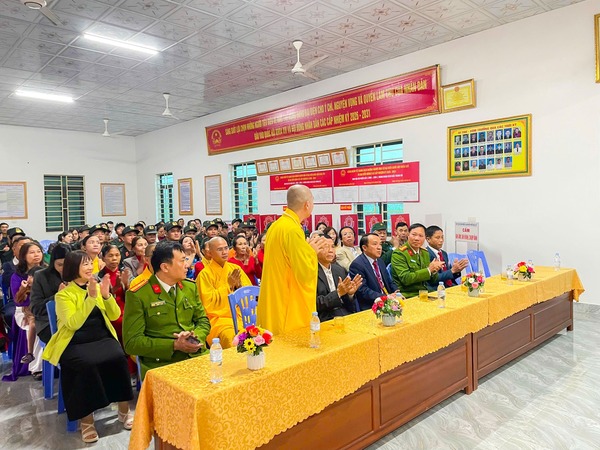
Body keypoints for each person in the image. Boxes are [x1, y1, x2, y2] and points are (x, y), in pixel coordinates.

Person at [42, 251, 134, 443]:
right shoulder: (64, 295)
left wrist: (106, 296)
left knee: (118, 356)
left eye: (90, 263)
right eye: (84, 264)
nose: (89, 267)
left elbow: (114, 315)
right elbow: (72, 324)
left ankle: (124, 411)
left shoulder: (97, 287)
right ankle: (87, 421)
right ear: (72, 268)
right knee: (86, 364)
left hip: (101, 337)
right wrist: (91, 298)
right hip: (74, 342)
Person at [123, 241, 211, 380]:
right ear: (165, 267)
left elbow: (203, 321)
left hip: (195, 355)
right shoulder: (139, 295)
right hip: (161, 363)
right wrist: (174, 345)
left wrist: (194, 338)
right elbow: (132, 343)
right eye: (182, 261)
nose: (187, 265)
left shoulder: (189, 287)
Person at [257, 184, 327, 335]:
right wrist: (312, 252)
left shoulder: (277, 225)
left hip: (273, 295)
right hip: (286, 299)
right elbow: (304, 273)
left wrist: (306, 250)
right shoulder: (293, 230)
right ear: (307, 205)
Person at [197, 237, 252, 348]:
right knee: (231, 338)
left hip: (241, 316)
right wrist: (228, 286)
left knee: (259, 332)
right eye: (219, 249)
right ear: (210, 253)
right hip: (219, 320)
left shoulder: (235, 268)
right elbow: (208, 304)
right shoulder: (204, 275)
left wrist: (238, 287)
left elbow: (249, 294)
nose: (224, 252)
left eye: (226, 248)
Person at [5, 242, 45, 381]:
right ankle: (36, 367)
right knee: (37, 328)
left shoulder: (47, 271)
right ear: (24, 256)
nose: (36, 255)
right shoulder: (17, 276)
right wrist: (23, 289)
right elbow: (18, 301)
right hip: (25, 310)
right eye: (32, 252)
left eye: (38, 251)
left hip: (43, 308)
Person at [30, 243, 71, 345]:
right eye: (60, 265)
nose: (64, 268)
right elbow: (36, 308)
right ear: (53, 263)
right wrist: (57, 296)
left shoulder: (78, 273)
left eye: (68, 265)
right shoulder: (41, 276)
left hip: (73, 319)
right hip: (47, 322)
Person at [391, 223, 444, 298]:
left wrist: (434, 271)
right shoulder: (399, 254)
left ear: (425, 238)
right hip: (408, 294)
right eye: (414, 235)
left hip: (424, 292)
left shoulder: (425, 253)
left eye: (421, 236)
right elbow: (406, 279)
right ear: (408, 235)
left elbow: (432, 281)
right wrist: (429, 270)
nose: (417, 238)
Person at [316, 237, 362, 322]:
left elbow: (349, 305)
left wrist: (350, 294)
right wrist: (338, 293)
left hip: (344, 314)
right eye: (325, 247)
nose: (330, 250)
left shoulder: (339, 270)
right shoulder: (311, 272)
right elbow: (315, 304)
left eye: (332, 247)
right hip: (323, 318)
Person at [349, 233, 398, 311]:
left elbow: (389, 281)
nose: (379, 247)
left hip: (388, 299)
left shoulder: (380, 261)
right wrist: (384, 297)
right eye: (375, 244)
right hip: (371, 304)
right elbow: (363, 290)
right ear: (364, 248)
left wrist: (397, 292)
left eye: (380, 244)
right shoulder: (357, 265)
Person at [425, 226, 469, 290]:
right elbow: (432, 279)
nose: (441, 240)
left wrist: (457, 270)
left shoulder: (444, 253)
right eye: (437, 238)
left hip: (449, 286)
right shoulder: (426, 254)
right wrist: (452, 270)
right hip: (436, 289)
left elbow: (449, 275)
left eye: (442, 237)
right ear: (428, 239)